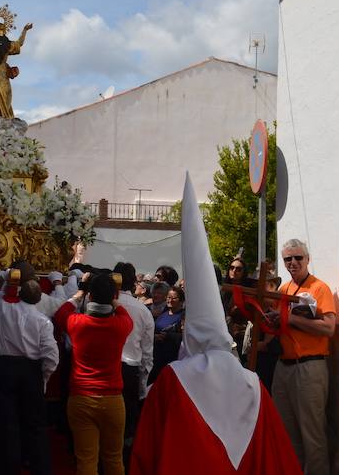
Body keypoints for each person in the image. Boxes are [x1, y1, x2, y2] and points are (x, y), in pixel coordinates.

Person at [130, 173, 301, 474]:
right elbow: (277, 458)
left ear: (191, 331)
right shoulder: (253, 384)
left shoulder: (173, 377)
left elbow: (148, 447)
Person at [55, 271, 133, 475]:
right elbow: (124, 313)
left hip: (81, 397)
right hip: (113, 399)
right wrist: (114, 298)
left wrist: (79, 292)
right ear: (113, 296)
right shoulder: (121, 325)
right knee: (114, 459)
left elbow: (61, 311)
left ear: (90, 296)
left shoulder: (76, 323)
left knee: (86, 460)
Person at [271, 239, 336, 475]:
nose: (293, 262)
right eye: (288, 259)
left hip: (310, 366)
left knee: (313, 435)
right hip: (284, 365)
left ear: (308, 259)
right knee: (287, 433)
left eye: (298, 257)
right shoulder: (283, 290)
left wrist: (292, 319)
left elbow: (329, 328)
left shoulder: (319, 288)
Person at [0, 277, 59, 475]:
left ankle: (8, 468)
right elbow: (52, 356)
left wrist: (1, 281)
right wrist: (43, 377)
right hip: (30, 370)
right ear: (38, 300)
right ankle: (39, 467)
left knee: (7, 422)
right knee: (35, 424)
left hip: (6, 367)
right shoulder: (42, 321)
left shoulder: (2, 309)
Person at [113, 262, 154, 466]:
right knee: (126, 426)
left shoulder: (103, 304)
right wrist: (141, 387)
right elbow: (147, 354)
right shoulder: (142, 310)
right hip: (129, 372)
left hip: (110, 368)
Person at [148, 286, 184, 384]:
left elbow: (185, 337)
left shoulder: (183, 316)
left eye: (174, 298)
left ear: (181, 301)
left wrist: (169, 336)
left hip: (171, 358)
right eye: (168, 297)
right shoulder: (163, 315)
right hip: (156, 357)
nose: (170, 300)